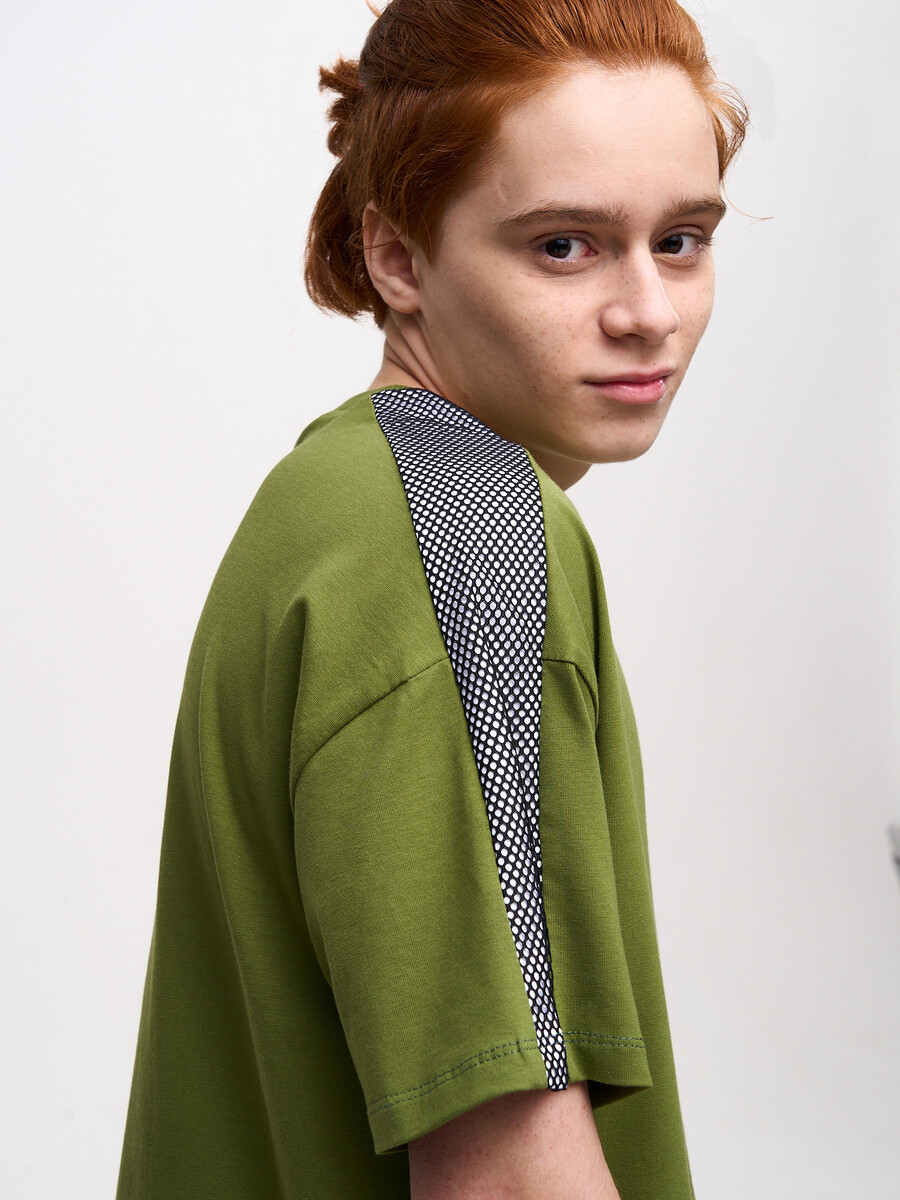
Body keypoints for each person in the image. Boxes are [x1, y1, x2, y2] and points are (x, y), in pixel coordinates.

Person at [117, 1, 748, 1197]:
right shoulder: (468, 535)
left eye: (681, 240)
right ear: (398, 258)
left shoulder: (330, 504)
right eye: (563, 246)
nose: (649, 312)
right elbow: (507, 1174)